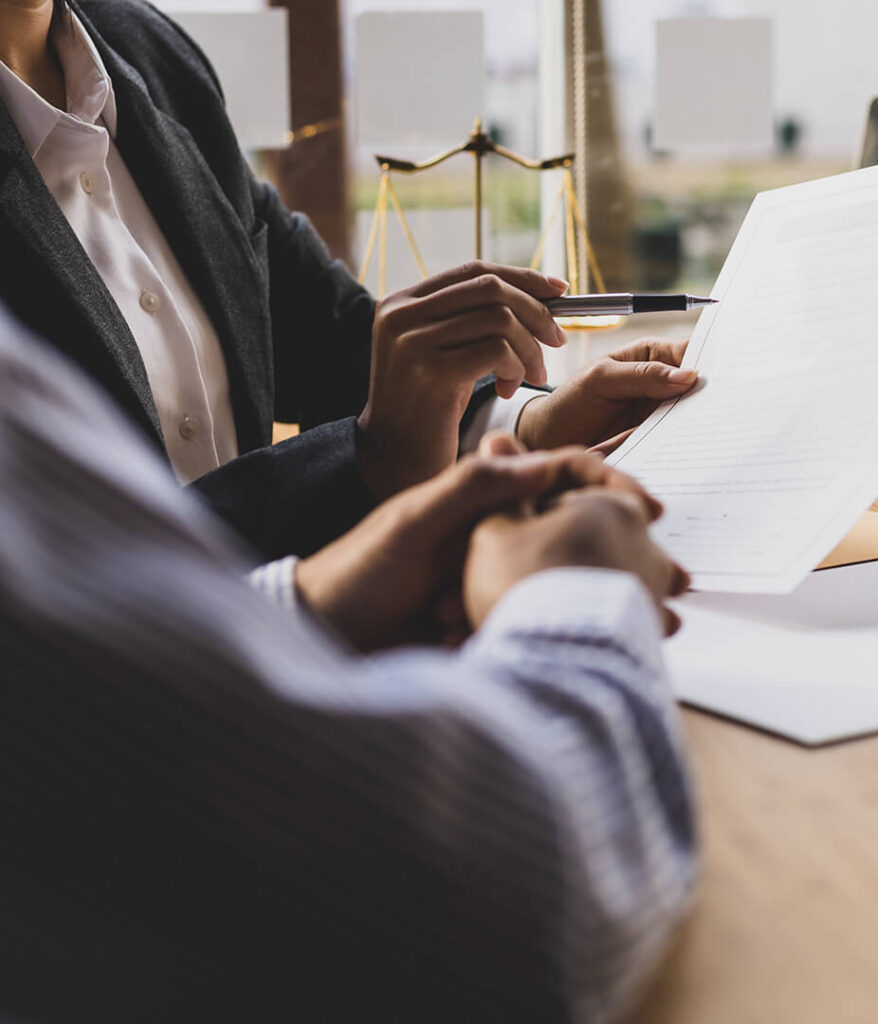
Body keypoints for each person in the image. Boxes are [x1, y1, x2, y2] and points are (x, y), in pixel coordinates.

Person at [0, 303, 697, 1021]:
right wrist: (576, 594)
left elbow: (100, 675)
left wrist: (308, 602)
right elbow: (480, 898)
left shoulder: (196, 184)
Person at [0, 0, 699, 561]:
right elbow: (79, 560)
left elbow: (328, 336)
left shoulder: (145, 50)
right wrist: (369, 460)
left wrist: (529, 426)